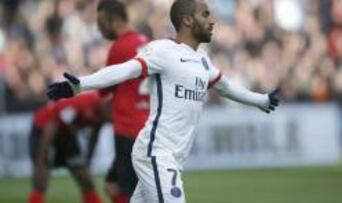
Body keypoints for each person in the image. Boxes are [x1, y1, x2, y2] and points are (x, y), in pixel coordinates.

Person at [47, 0, 280, 202]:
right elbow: (127, 70)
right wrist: (80, 86)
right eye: (205, 14)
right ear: (187, 20)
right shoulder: (163, 50)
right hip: (155, 153)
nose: (212, 21)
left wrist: (262, 100)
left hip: (173, 158)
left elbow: (227, 88)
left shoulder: (202, 61)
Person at [96, 1, 150, 202]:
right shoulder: (147, 42)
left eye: (101, 23)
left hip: (128, 129)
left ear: (114, 20)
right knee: (114, 184)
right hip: (148, 128)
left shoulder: (119, 48)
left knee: (128, 192)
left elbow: (104, 90)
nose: (100, 29)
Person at [28, 92, 109, 203]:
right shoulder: (82, 104)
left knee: (85, 179)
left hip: (66, 135)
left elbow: (94, 136)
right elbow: (53, 126)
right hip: (43, 129)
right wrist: (41, 161)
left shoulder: (105, 113)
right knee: (41, 178)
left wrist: (88, 161)